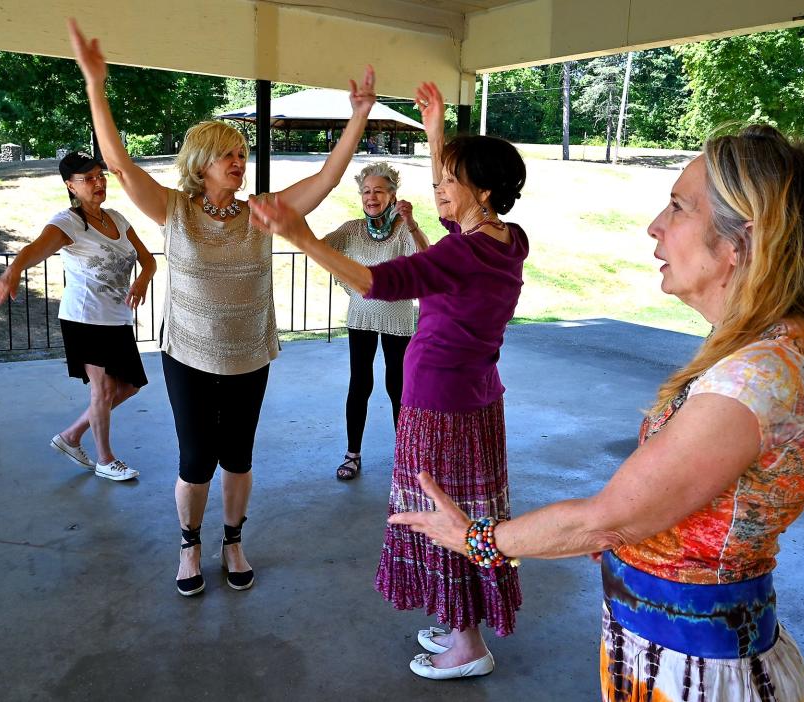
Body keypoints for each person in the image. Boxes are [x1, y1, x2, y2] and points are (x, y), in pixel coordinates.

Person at [390, 125, 804, 700]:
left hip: (695, 673)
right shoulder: (777, 353)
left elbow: (607, 519)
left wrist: (475, 537)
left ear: (738, 243)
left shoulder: (756, 378)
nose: (655, 225)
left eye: (678, 206)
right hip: (688, 654)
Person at [68, 19, 376, 596]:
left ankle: (233, 539)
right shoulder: (174, 210)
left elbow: (326, 180)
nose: (239, 161)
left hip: (249, 355)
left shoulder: (264, 211)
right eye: (227, 155)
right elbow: (120, 165)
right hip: (187, 355)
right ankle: (191, 545)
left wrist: (357, 116)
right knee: (196, 457)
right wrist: (94, 84)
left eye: (241, 153)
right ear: (201, 163)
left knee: (238, 455)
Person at [251, 80, 528, 679]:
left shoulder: (463, 254)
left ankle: (468, 644)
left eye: (447, 182)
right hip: (476, 398)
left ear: (478, 191)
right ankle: (461, 622)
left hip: (440, 405)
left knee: (444, 518)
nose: (437, 191)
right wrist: (434, 134)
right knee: (467, 511)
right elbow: (453, 211)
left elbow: (380, 283)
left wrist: (299, 237)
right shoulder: (504, 240)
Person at [0, 151, 155, 482]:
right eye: (88, 179)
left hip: (116, 319)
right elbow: (35, 248)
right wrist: (14, 270)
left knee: (131, 385)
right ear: (70, 186)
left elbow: (148, 260)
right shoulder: (67, 222)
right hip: (84, 318)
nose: (98, 182)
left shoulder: (117, 219)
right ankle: (106, 459)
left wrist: (142, 279)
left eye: (100, 176)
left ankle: (71, 436)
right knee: (102, 390)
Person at [323, 162, 429, 480]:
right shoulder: (352, 229)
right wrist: (347, 281)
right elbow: (320, 249)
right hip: (361, 317)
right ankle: (352, 454)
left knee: (398, 386)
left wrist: (410, 222)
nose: (371, 197)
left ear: (392, 195)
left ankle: (405, 457)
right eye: (366, 191)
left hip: (398, 318)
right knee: (360, 384)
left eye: (378, 191)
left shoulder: (402, 230)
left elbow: (427, 258)